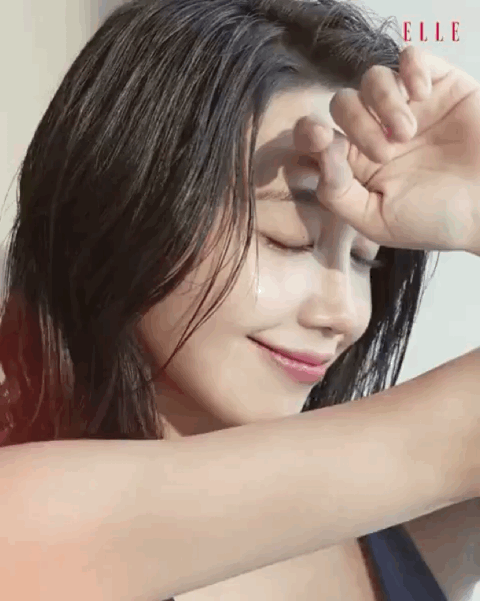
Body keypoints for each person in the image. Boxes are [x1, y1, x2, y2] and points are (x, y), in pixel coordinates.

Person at [0, 0, 479, 599]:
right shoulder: (24, 518)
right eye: (288, 240)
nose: (345, 314)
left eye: (365, 259)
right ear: (122, 208)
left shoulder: (403, 531)